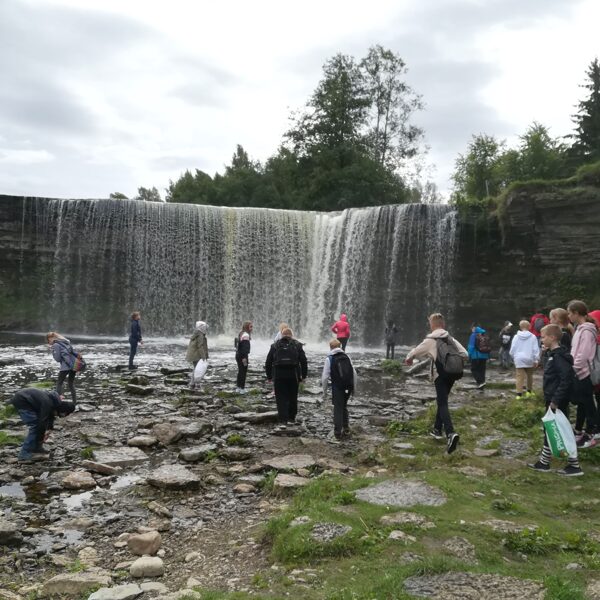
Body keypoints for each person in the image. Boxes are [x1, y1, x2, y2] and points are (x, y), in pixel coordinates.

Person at [405, 313, 467, 454]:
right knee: (442, 400)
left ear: (432, 325)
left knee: (442, 403)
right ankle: (437, 429)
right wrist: (452, 363)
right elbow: (465, 354)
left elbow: (416, 351)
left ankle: (450, 433)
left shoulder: (431, 340)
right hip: (453, 374)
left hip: (440, 375)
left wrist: (408, 358)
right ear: (443, 324)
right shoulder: (451, 339)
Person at [528, 324, 581, 476]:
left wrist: (556, 400)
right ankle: (544, 462)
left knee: (559, 429)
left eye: (543, 337)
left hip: (557, 400)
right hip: (553, 398)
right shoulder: (553, 355)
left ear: (553, 338)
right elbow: (550, 371)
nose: (541, 339)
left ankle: (574, 465)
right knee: (551, 428)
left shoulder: (559, 357)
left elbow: (566, 379)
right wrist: (545, 354)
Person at [7, 388, 75, 461]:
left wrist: (49, 429)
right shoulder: (48, 403)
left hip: (29, 401)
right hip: (22, 401)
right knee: (35, 426)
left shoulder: (54, 403)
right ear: (60, 409)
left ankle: (37, 448)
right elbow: (42, 421)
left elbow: (50, 416)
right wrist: (41, 437)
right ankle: (24, 454)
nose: (57, 416)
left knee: (39, 427)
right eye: (59, 414)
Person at [567, 300, 599, 449]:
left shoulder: (587, 330)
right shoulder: (579, 328)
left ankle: (593, 434)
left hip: (582, 372)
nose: (568, 316)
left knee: (588, 405)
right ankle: (585, 433)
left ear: (576, 313)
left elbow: (584, 354)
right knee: (583, 403)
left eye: (569, 313)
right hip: (578, 372)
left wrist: (574, 367)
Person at [265, 327, 307, 426]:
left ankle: (283, 419)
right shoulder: (297, 345)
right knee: (293, 396)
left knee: (280, 397)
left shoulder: (275, 345)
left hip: (279, 375)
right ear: (291, 335)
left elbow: (268, 361)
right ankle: (291, 418)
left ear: (282, 335)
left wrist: (269, 376)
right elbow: (304, 361)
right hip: (294, 374)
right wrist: (303, 376)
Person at [321, 339, 357, 442]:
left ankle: (337, 432)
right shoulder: (347, 357)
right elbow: (354, 373)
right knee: (344, 406)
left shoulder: (330, 358)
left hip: (338, 387)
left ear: (330, 347)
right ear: (340, 346)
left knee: (338, 407)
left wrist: (324, 391)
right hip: (348, 386)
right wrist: (354, 389)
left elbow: (325, 377)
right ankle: (346, 428)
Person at [46, 331, 79, 404]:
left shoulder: (56, 345)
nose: (49, 342)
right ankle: (74, 402)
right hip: (73, 365)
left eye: (48, 340)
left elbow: (57, 359)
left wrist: (53, 351)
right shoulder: (66, 342)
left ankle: (58, 402)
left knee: (59, 383)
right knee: (71, 383)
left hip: (65, 367)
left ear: (51, 338)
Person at [509, 320, 540, 398]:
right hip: (529, 358)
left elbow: (513, 348)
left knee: (519, 376)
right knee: (530, 375)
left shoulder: (516, 337)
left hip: (519, 359)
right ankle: (529, 391)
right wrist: (536, 359)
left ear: (520, 327)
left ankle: (519, 394)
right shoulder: (533, 336)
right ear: (529, 327)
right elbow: (535, 349)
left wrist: (513, 357)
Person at [186, 321, 209, 389]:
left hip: (193, 354)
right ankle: (196, 384)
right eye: (204, 327)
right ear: (202, 328)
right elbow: (200, 346)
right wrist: (203, 357)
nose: (206, 329)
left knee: (196, 369)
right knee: (197, 369)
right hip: (197, 355)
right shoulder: (200, 335)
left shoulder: (196, 333)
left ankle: (192, 383)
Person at [467, 324, 490, 389]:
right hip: (484, 355)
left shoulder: (473, 335)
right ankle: (482, 383)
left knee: (474, 369)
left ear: (474, 328)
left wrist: (469, 354)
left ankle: (480, 382)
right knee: (482, 370)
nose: (471, 330)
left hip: (476, 356)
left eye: (472, 329)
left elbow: (471, 346)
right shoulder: (484, 334)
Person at [235, 321, 253, 394]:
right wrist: (245, 358)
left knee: (240, 371)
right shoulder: (246, 335)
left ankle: (238, 387)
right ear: (247, 327)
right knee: (243, 372)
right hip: (243, 356)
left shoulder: (241, 333)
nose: (252, 328)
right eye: (250, 327)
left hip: (238, 355)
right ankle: (242, 389)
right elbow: (245, 348)